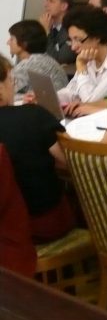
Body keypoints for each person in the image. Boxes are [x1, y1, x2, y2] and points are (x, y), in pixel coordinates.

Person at [0, 55, 75, 242]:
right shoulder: (33, 116)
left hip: (7, 235)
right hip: (43, 226)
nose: (13, 86)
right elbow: (69, 162)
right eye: (11, 80)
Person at [57, 6, 107, 108]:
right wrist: (48, 98)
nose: (73, 47)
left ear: (97, 37)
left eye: (78, 40)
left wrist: (82, 68)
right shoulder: (88, 58)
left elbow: (92, 102)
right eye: (71, 40)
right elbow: (71, 91)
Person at [8, 20, 68, 94]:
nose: (8, 43)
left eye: (12, 39)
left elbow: (5, 94)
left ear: (24, 43)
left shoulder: (29, 64)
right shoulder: (47, 60)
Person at [41, 0, 76, 72]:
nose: (45, 5)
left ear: (64, 6)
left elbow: (58, 60)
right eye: (46, 0)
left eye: (51, 1)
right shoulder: (45, 25)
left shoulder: (73, 30)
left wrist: (46, 32)